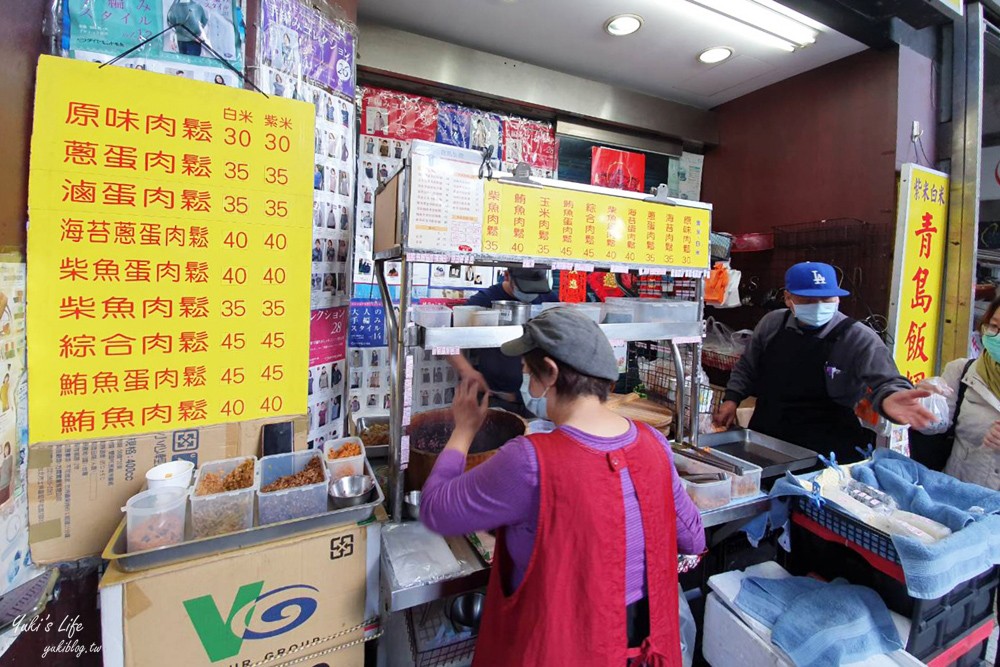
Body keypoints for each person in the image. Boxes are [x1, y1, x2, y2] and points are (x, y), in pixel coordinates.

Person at [422, 309, 704, 665]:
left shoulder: (529, 460)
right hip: (645, 651)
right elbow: (693, 538)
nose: (526, 378)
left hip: (565, 650)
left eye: (528, 370)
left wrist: (463, 430)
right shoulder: (653, 443)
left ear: (551, 373)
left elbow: (436, 508)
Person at [713, 262, 935, 463]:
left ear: (837, 298)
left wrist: (889, 397)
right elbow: (748, 366)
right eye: (808, 300)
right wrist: (732, 398)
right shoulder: (772, 324)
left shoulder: (859, 338)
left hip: (828, 449)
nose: (819, 306)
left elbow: (887, 381)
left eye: (827, 299)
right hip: (769, 438)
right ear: (789, 298)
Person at [448, 268, 559, 416]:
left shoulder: (549, 299)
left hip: (539, 398)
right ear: (507, 276)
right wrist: (465, 370)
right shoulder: (486, 299)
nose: (531, 294)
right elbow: (448, 337)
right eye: (524, 288)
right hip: (497, 396)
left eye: (535, 288)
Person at [917, 296, 1000, 489]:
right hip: (956, 495)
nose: (996, 336)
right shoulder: (961, 371)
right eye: (994, 326)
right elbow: (933, 426)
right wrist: (924, 403)